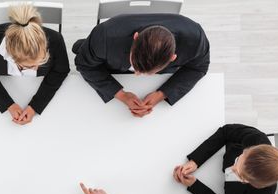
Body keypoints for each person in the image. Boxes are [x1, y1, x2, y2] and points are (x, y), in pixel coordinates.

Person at [73, 14, 210, 118]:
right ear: (136, 37)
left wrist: (162, 94)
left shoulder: (196, 39)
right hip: (110, 63)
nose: (137, 74)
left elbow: (198, 67)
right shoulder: (104, 35)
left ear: (172, 58)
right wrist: (121, 95)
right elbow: (84, 65)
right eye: (135, 66)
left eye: (147, 72)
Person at [0, 4, 70, 125]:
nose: (35, 68)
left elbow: (60, 71)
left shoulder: (56, 40)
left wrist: (35, 106)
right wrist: (8, 104)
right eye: (27, 66)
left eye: (40, 62)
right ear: (10, 55)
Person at [174, 124, 278, 194]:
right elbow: (226, 132)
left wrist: (195, 186)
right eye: (238, 159)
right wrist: (196, 160)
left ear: (255, 185)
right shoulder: (256, 139)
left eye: (240, 175)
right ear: (248, 149)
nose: (231, 169)